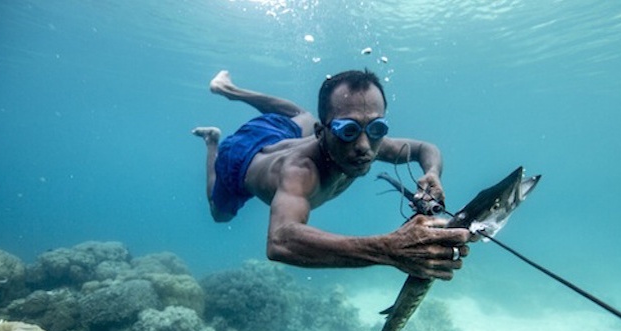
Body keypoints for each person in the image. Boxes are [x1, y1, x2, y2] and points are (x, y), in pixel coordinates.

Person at [192, 69, 470, 281]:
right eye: (347, 130)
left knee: (299, 115)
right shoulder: (301, 172)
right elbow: (280, 241)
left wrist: (432, 173)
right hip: (238, 159)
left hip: (277, 131)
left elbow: (425, 149)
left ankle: (229, 89)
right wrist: (390, 248)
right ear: (321, 132)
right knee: (220, 214)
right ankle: (211, 141)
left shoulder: (366, 141)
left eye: (377, 128)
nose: (363, 147)